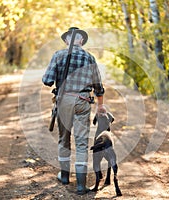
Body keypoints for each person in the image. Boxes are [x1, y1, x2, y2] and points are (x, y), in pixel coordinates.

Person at [42, 27, 106, 195]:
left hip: (63, 102)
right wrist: (100, 105)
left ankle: (64, 176)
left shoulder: (58, 55)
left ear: (66, 40)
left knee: (64, 139)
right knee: (82, 143)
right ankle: (80, 185)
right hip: (83, 101)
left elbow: (47, 80)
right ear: (81, 41)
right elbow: (98, 86)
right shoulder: (89, 57)